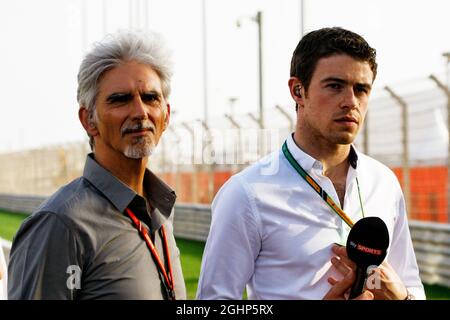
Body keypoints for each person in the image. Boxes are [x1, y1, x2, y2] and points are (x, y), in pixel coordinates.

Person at [197, 27, 425, 300]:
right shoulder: (246, 193)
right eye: (335, 86)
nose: (350, 102)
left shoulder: (384, 182)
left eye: (361, 89)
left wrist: (403, 298)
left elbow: (411, 285)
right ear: (298, 91)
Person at [7, 30, 186, 300]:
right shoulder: (60, 224)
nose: (140, 112)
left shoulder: (160, 212)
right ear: (89, 120)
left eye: (151, 97)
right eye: (120, 99)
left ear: (166, 115)